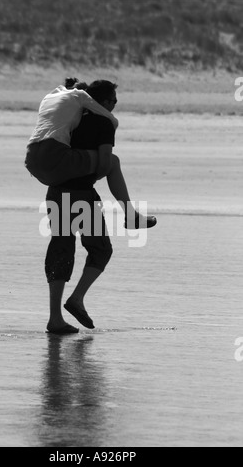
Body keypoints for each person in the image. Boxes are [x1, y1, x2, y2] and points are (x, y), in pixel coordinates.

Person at [45, 80, 156, 334]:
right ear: (103, 103)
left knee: (61, 249)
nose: (114, 106)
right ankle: (76, 298)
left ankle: (54, 318)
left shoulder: (71, 117)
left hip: (56, 191)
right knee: (100, 249)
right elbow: (105, 165)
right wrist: (95, 169)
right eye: (113, 101)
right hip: (82, 195)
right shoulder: (103, 122)